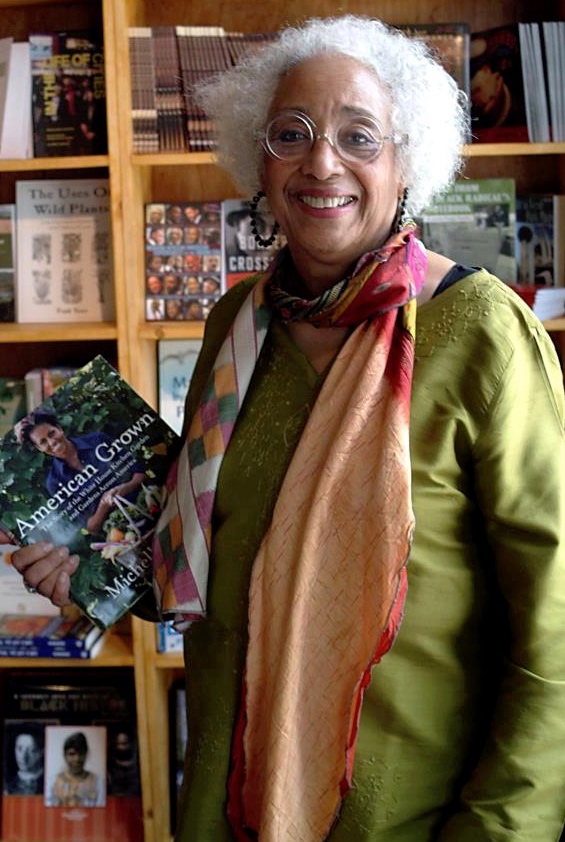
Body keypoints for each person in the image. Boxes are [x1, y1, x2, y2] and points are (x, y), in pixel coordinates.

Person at [7, 15, 565, 841]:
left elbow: (553, 625)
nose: (321, 162)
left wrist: (498, 830)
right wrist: (94, 573)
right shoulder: (237, 323)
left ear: (406, 161)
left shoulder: (481, 332)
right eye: (290, 133)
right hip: (228, 805)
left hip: (414, 818)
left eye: (358, 136)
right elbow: (210, 558)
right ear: (256, 158)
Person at [15, 410, 146, 535]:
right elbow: (91, 527)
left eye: (51, 433)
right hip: (123, 535)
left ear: (59, 428)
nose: (51, 442)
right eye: (43, 442)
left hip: (148, 504)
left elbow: (140, 472)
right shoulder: (54, 482)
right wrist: (103, 505)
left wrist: (127, 487)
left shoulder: (98, 440)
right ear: (39, 448)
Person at [49, 731, 102, 807]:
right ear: (65, 756)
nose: (77, 759)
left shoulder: (98, 782)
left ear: (86, 754)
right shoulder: (52, 782)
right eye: (72, 754)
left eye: (81, 753)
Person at [4, 728, 45, 795]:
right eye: (19, 749)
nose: (23, 757)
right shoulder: (8, 785)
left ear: (41, 752)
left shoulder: (51, 780)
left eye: (31, 750)